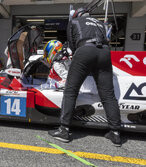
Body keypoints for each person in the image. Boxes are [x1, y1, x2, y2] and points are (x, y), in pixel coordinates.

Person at [48, 7, 122, 146]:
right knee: (108, 94)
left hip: (85, 50)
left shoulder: (75, 22)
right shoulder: (100, 23)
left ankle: (64, 130)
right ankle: (115, 132)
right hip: (104, 52)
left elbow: (73, 47)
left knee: (71, 90)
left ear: (77, 15)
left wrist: (83, 62)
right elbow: (106, 40)